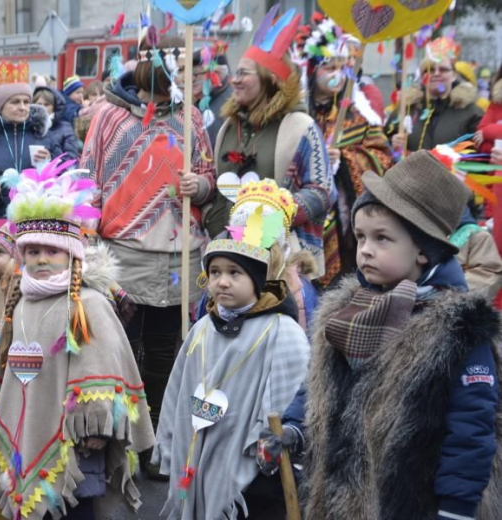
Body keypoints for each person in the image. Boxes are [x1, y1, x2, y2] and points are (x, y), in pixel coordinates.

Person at [258, 150, 502, 520]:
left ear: (423, 250)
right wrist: (294, 428)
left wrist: (456, 508)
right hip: (339, 496)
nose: (365, 250)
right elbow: (318, 386)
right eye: (360, 237)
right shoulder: (346, 311)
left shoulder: (458, 330)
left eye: (382, 239)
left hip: (412, 502)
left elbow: (471, 431)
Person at [0, 158, 154, 520]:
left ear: (71, 254)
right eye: (33, 251)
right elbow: (8, 363)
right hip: (30, 425)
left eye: (52, 251)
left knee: (74, 507)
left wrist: (97, 423)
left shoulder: (86, 303)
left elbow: (101, 362)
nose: (42, 259)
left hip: (74, 442)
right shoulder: (21, 300)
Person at [79, 37, 215, 478]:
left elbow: (210, 176)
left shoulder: (191, 117)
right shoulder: (108, 117)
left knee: (164, 351)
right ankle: (118, 439)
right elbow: (89, 179)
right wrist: (85, 238)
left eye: (173, 65)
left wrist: (202, 187)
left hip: (180, 254)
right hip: (123, 252)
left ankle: (153, 438)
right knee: (118, 348)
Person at [153, 180, 309, 520]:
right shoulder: (202, 329)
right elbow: (178, 390)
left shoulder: (283, 333)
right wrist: (168, 439)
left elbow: (285, 396)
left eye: (235, 272)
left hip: (247, 466)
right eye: (215, 272)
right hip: (199, 449)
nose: (222, 282)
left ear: (257, 278)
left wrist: (268, 443)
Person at [211, 6, 332, 278]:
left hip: (282, 260)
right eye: (236, 73)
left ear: (270, 79)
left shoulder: (301, 127)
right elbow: (217, 184)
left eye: (243, 73)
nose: (234, 80)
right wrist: (200, 187)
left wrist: (271, 214)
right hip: (230, 257)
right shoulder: (229, 127)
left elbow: (322, 192)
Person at [301, 17, 393, 286]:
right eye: (329, 66)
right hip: (306, 217)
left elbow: (382, 157)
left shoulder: (360, 113)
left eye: (343, 67)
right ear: (311, 70)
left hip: (346, 226)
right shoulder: (298, 113)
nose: (337, 74)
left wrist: (347, 159)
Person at [0, 60, 56, 220]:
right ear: (0, 105)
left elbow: (64, 174)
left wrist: (49, 162)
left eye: (26, 102)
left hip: (35, 220)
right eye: (15, 102)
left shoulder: (42, 134)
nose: (23, 107)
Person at [387, 37, 483, 153]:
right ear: (423, 77)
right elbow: (383, 143)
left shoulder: (471, 112)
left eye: (443, 69)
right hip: (411, 170)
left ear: (453, 75)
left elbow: (481, 153)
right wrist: (392, 142)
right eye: (430, 70)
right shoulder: (405, 109)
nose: (436, 74)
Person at [179, 49, 233, 147]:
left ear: (217, 73)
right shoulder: (204, 102)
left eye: (195, 74)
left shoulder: (228, 105)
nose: (190, 79)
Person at [451, 202, 502, 299]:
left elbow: (488, 275)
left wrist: (442, 294)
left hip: (455, 306)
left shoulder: (477, 236)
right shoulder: (417, 232)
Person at [33, 85, 80, 159]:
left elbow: (71, 156)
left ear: (54, 107)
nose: (42, 108)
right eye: (39, 104)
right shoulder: (29, 127)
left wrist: (51, 158)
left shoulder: (65, 128)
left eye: (46, 104)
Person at [474, 64, 502, 154]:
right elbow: (479, 136)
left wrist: (487, 133)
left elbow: (483, 132)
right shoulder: (496, 103)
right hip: (490, 164)